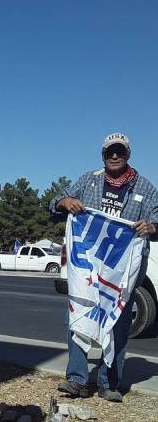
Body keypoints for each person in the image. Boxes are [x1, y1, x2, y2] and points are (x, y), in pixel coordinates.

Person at [50, 132, 158, 401]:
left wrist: (151, 226)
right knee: (80, 313)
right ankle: (76, 379)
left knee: (119, 320)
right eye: (109, 151)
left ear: (128, 154)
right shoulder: (88, 180)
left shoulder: (145, 187)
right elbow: (55, 202)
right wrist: (65, 202)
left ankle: (108, 383)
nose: (114, 156)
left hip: (124, 269)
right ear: (103, 154)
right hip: (89, 265)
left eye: (119, 151)